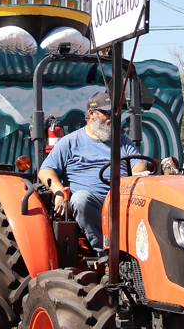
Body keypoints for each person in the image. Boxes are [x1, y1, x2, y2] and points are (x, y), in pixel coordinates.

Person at [38, 91, 148, 254]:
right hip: (92, 201)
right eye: (107, 113)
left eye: (115, 113)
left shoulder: (122, 141)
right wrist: (59, 191)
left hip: (122, 200)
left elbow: (138, 165)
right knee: (81, 199)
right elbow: (46, 170)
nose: (113, 118)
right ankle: (105, 253)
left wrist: (139, 172)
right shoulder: (70, 142)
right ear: (91, 114)